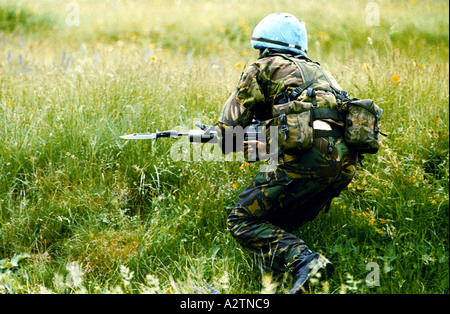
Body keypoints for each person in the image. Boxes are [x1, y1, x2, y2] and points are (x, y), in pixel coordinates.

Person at [216, 13, 357, 294]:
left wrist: (224, 137)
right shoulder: (322, 72)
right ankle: (281, 284)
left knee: (242, 220)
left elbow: (228, 130)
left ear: (264, 47)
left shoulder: (263, 67)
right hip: (347, 162)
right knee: (274, 223)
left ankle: (308, 263)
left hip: (309, 159)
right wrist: (267, 141)